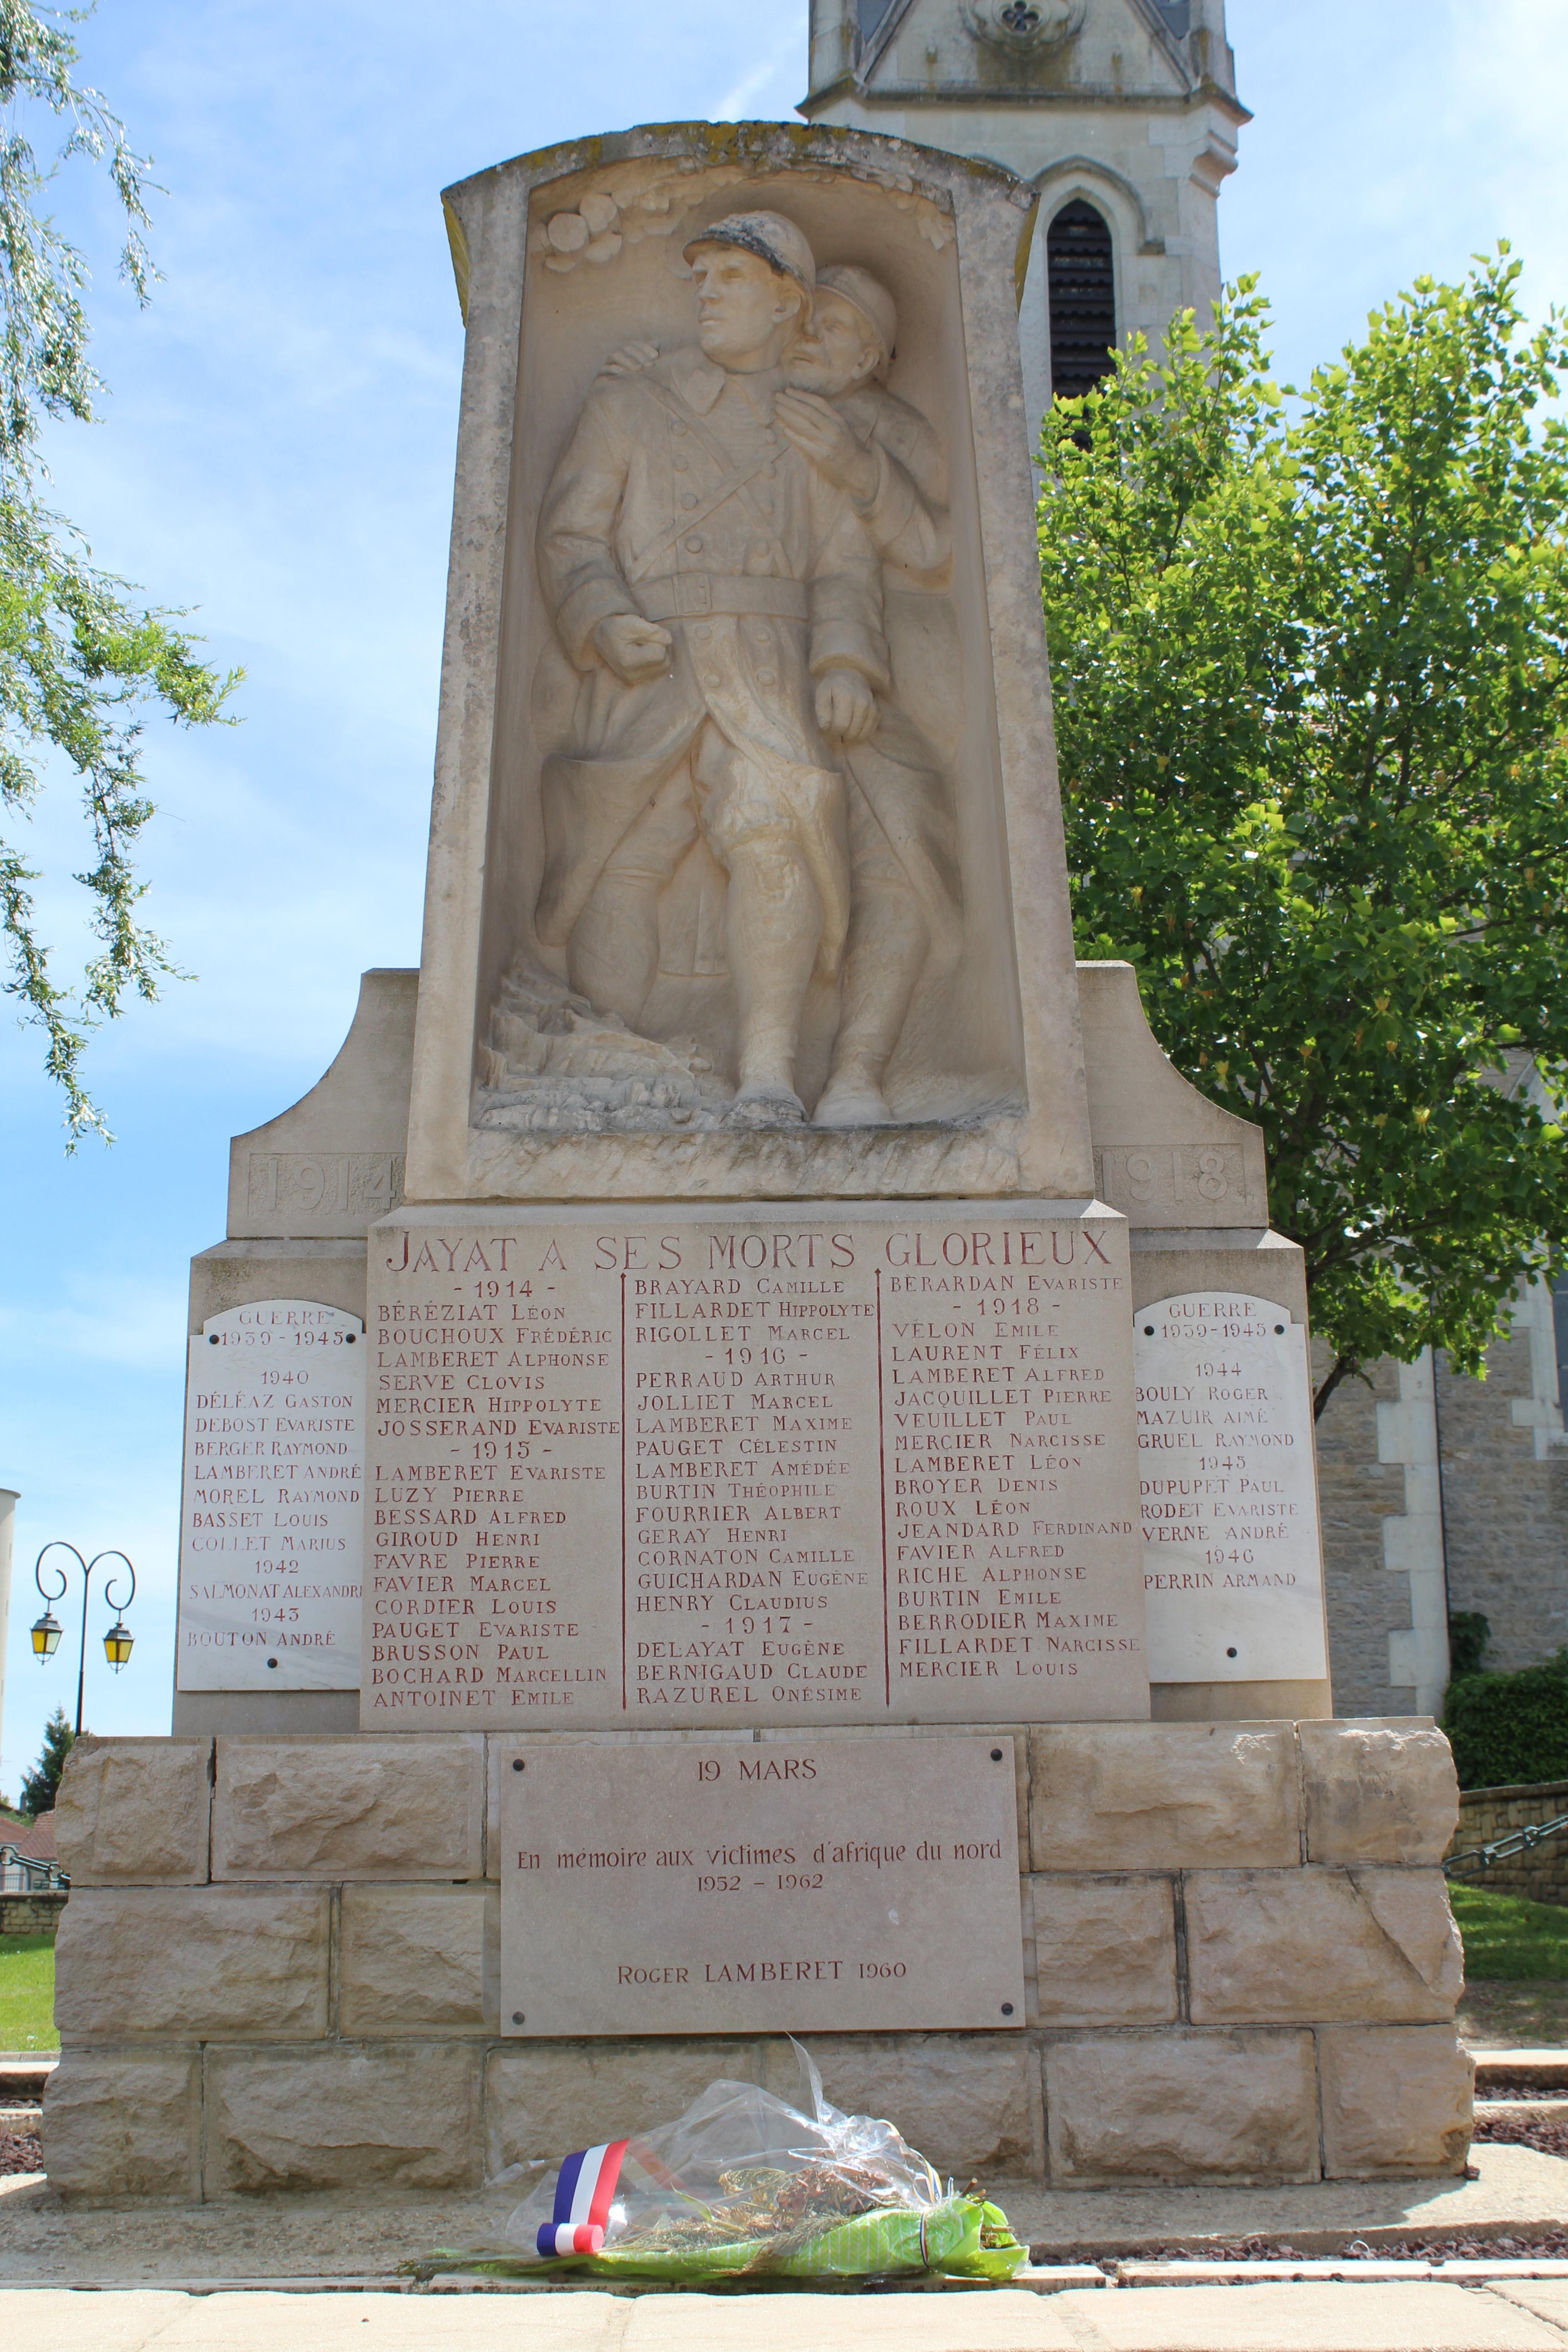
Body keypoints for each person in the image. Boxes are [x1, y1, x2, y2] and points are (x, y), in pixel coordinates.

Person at [534, 211, 888, 1127]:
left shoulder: (812, 426)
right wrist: (605, 618)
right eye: (701, 277)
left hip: (768, 667)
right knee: (620, 853)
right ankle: (608, 1059)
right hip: (650, 667)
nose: (707, 293)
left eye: (732, 277)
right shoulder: (630, 402)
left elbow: (846, 562)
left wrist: (844, 661)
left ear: (786, 304)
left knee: (774, 839)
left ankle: (767, 1075)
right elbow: (572, 533)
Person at [598, 265, 962, 1128]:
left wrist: (857, 465)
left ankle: (859, 1073)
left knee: (899, 853)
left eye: (834, 331)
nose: (811, 342)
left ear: (872, 358)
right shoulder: (734, 403)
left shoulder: (884, 428)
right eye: (810, 322)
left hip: (890, 674)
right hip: (771, 670)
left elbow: (925, 544)